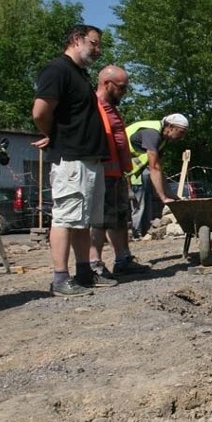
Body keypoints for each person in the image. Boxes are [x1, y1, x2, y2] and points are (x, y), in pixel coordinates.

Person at [31, 24, 117, 296]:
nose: (98, 49)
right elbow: (40, 112)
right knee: (66, 217)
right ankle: (60, 278)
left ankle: (84, 272)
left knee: (84, 220)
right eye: (94, 43)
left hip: (90, 159)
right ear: (77, 40)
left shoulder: (80, 74)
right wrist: (55, 136)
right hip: (71, 159)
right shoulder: (57, 70)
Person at [88, 65, 150, 277]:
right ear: (107, 84)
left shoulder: (112, 108)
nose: (124, 92)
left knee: (119, 219)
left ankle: (123, 259)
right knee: (98, 221)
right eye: (122, 88)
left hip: (116, 175)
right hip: (100, 174)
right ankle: (94, 264)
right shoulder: (92, 106)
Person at [126, 114, 189, 238]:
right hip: (114, 165)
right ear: (170, 127)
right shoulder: (153, 134)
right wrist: (163, 197)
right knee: (133, 206)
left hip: (128, 169)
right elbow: (153, 167)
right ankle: (134, 234)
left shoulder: (162, 140)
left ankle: (137, 233)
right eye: (181, 132)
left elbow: (159, 169)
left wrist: (170, 194)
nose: (181, 137)